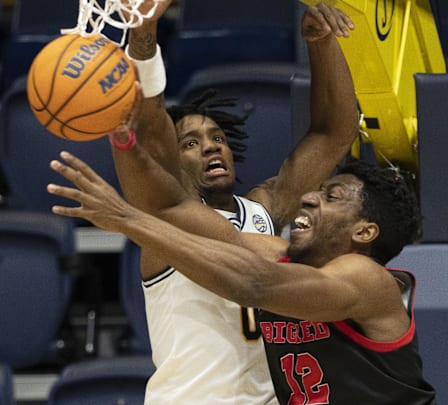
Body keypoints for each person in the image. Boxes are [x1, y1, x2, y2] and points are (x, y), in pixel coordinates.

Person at [109, 2, 360, 403]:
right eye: (190, 143)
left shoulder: (264, 208)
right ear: (170, 159)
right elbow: (148, 121)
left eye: (218, 138)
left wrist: (321, 43)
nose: (211, 147)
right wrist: (143, 36)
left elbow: (334, 133)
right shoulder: (166, 221)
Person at [46, 148, 437, 404]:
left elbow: (252, 284)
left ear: (364, 232)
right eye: (318, 191)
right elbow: (175, 210)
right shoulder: (284, 258)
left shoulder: (365, 278)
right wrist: (127, 134)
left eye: (331, 197)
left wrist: (129, 220)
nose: (308, 197)